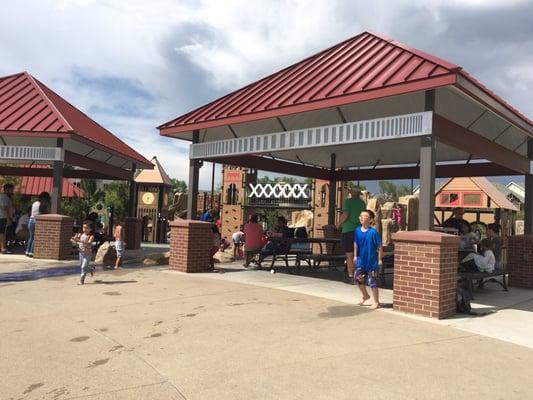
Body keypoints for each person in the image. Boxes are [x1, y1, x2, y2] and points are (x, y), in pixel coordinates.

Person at [354, 210, 383, 309]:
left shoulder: (373, 232)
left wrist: (379, 259)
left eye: (364, 216)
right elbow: (355, 244)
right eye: (360, 216)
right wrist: (354, 256)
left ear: (370, 219)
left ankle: (376, 301)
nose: (361, 218)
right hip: (361, 261)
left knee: (372, 281)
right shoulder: (357, 230)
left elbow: (379, 246)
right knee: (357, 278)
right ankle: (365, 296)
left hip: (372, 262)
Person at [336, 188, 366, 283]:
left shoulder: (347, 202)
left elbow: (346, 214)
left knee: (350, 254)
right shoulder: (362, 203)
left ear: (351, 193)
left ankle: (351, 276)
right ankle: (359, 275)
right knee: (358, 254)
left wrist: (338, 224)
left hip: (348, 230)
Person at [26, 192, 50, 257]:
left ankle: (27, 251)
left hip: (30, 220)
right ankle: (31, 252)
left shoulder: (35, 203)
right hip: (37, 221)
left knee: (31, 237)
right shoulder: (44, 203)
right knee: (35, 237)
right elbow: (42, 213)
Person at [71, 220, 95, 285]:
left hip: (88, 254)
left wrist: (79, 240)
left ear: (91, 229)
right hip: (81, 253)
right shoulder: (80, 234)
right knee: (82, 266)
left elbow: (89, 243)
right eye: (83, 227)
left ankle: (81, 280)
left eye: (87, 228)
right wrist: (73, 240)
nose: (84, 229)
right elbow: (73, 240)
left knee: (83, 267)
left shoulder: (91, 236)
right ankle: (90, 269)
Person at [0, 183, 15, 254]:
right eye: (11, 190)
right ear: (7, 190)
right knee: (2, 233)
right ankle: (3, 248)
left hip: (3, 217)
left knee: (3, 233)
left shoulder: (5, 197)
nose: (12, 191)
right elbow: (4, 208)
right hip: (3, 217)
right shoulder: (4, 197)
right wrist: (8, 218)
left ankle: (3, 247)